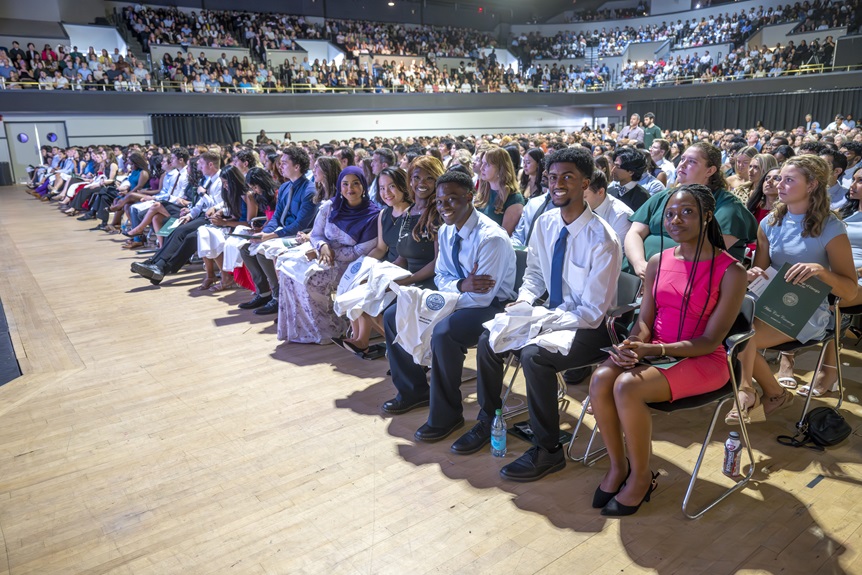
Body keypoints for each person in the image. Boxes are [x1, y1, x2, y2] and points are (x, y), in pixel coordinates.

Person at [451, 147, 622, 483]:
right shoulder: (545, 223)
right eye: (552, 177)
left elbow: (591, 313)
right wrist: (525, 301)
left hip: (588, 329)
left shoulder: (603, 239)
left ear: (585, 182)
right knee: (490, 338)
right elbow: (534, 276)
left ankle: (548, 450)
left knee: (534, 356)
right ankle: (490, 420)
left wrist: (539, 321)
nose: (557, 184)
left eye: (568, 177)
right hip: (549, 317)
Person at [591, 184, 747, 516]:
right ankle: (619, 467)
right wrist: (633, 344)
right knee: (601, 377)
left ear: (707, 217)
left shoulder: (731, 270)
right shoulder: (658, 260)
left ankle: (643, 477)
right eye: (670, 214)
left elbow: (709, 340)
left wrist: (653, 350)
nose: (676, 220)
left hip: (704, 359)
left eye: (687, 212)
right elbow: (645, 319)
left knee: (626, 386)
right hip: (656, 350)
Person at [381, 170, 516, 445]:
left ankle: (446, 414)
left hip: (493, 307)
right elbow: (441, 276)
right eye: (440, 202)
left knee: (445, 332)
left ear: (469, 197)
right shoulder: (444, 230)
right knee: (395, 313)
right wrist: (460, 286)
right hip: (458, 298)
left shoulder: (491, 238)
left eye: (452, 199)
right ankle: (412, 390)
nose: (444, 207)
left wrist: (452, 293)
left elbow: (482, 298)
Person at [728, 155, 857, 424]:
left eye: (788, 180)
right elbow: (762, 274)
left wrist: (821, 272)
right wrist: (750, 274)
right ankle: (773, 393)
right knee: (729, 329)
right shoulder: (769, 223)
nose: (778, 184)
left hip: (810, 308)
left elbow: (851, 291)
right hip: (770, 300)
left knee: (742, 336)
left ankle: (746, 391)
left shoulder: (831, 228)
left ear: (811, 185)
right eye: (777, 178)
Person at [338, 165, 439, 358]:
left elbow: (425, 258)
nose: (386, 193)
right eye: (382, 188)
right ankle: (384, 345)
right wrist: (363, 268)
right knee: (359, 286)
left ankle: (395, 347)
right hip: (394, 267)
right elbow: (381, 248)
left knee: (371, 299)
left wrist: (388, 278)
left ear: (403, 186)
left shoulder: (416, 213)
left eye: (391, 187)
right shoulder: (384, 214)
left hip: (410, 271)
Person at [276, 166, 379, 343]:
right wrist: (322, 246)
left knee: (312, 279)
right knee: (288, 271)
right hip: (324, 255)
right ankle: (301, 329)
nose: (350, 189)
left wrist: (328, 252)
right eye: (345, 184)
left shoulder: (373, 215)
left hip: (352, 264)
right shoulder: (330, 207)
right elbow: (316, 234)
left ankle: (328, 329)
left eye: (356, 183)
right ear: (339, 186)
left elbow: (359, 251)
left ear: (363, 186)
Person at [625, 142, 758, 278]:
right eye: (682, 159)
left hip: (684, 280)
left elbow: (705, 253)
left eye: (692, 161)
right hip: (636, 273)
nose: (682, 164)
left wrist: (656, 272)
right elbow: (634, 232)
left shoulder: (728, 207)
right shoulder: (664, 196)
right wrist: (639, 263)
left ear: (710, 171)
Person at [240, 147, 317, 315]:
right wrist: (264, 233)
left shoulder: (309, 190)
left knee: (262, 251)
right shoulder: (284, 188)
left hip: (299, 234)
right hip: (282, 231)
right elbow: (276, 217)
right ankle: (264, 292)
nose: (280, 166)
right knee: (246, 247)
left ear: (296, 167)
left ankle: (277, 297)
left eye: (284, 163)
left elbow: (300, 224)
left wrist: (270, 235)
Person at [130, 150, 223, 284]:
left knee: (180, 230)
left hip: (212, 217)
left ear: (210, 165)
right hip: (196, 213)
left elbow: (215, 206)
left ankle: (158, 265)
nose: (199, 167)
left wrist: (202, 195)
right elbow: (199, 204)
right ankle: (155, 263)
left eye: (201, 164)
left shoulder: (219, 181)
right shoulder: (208, 179)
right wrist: (190, 214)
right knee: (174, 225)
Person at [475, 146, 525, 235]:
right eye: (482, 163)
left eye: (487, 164)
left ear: (500, 169)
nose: (481, 168)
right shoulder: (484, 190)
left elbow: (503, 236)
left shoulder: (514, 198)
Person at [607, 147, 650, 211]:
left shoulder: (643, 198)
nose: (613, 170)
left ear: (631, 172)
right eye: (614, 165)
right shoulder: (610, 190)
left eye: (618, 167)